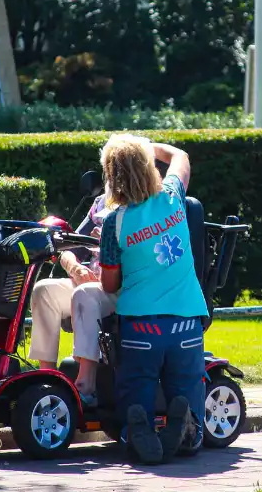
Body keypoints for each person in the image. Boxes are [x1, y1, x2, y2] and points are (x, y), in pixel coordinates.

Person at [98, 134, 206, 465]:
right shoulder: (173, 198)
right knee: (187, 385)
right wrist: (150, 146)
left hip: (140, 327)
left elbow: (108, 282)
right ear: (149, 168)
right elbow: (181, 157)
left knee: (136, 385)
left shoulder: (114, 222)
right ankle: (188, 427)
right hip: (186, 322)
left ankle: (137, 426)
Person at [28, 196, 118, 408]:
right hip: (92, 283)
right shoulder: (100, 203)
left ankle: (85, 386)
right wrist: (75, 268)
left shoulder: (140, 202)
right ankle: (46, 379)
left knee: (85, 293)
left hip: (120, 287)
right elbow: (68, 248)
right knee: (43, 290)